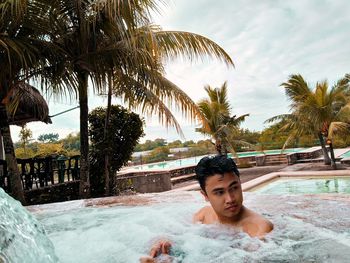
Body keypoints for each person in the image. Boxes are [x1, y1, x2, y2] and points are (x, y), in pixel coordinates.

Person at [140, 155, 273, 262]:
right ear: (205, 196)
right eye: (219, 192)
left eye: (234, 188)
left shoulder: (259, 227)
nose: (230, 199)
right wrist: (162, 243)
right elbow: (181, 235)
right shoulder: (203, 215)